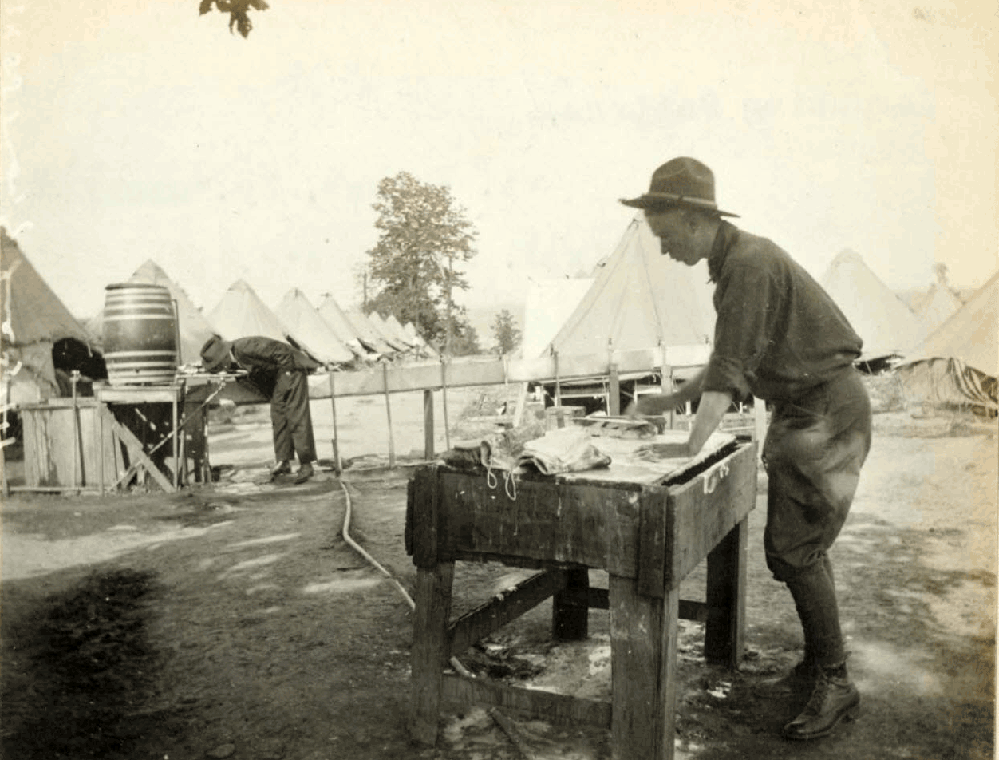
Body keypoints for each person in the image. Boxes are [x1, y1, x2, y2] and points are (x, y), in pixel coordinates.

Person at [622, 157, 872, 741]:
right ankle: (819, 661)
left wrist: (687, 446)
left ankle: (835, 680)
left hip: (826, 414)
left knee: (793, 550)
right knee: (796, 547)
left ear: (690, 217)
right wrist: (666, 404)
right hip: (808, 408)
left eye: (664, 236)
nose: (663, 251)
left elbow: (729, 374)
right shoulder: (738, 261)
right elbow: (726, 361)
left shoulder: (749, 266)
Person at [200, 334, 320, 484]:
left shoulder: (245, 347)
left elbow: (281, 351)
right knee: (278, 417)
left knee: (296, 416)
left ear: (223, 358)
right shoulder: (235, 359)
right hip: (279, 376)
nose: (219, 370)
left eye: (218, 366)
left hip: (292, 369)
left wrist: (287, 375)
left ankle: (306, 464)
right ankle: (283, 462)